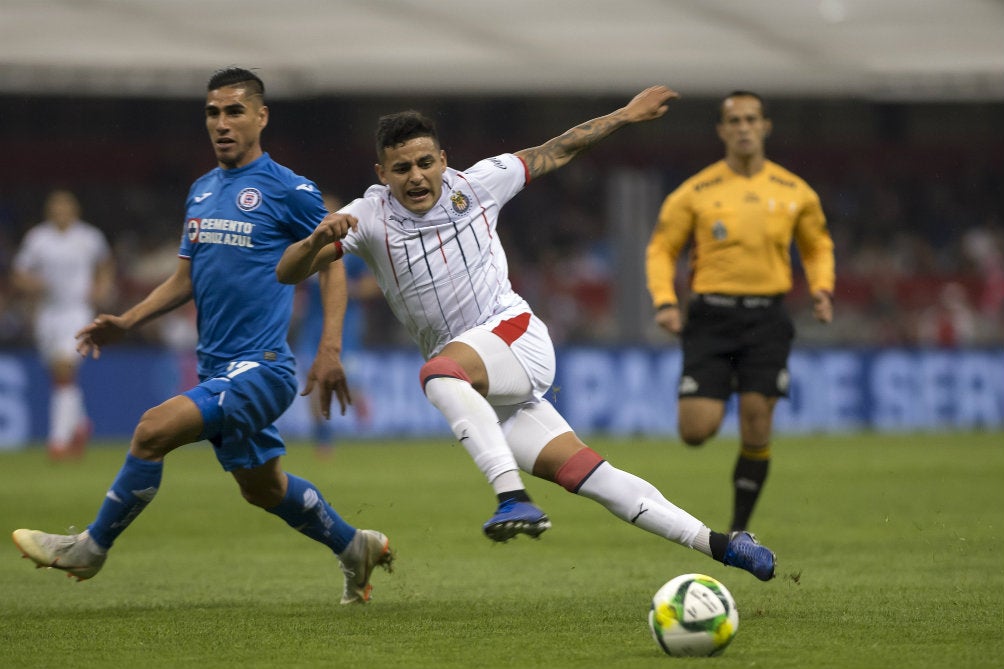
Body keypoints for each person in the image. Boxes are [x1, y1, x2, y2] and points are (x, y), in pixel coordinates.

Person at [276, 86, 777, 581]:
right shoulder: (367, 217)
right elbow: (289, 271)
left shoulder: (477, 185)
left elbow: (557, 149)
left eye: (425, 162)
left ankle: (512, 498)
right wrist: (316, 239)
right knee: (592, 478)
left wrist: (624, 116)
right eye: (402, 168)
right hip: (482, 385)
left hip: (514, 338)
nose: (416, 176)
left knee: (437, 374)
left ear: (443, 160)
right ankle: (725, 544)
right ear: (382, 174)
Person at [11, 67, 393, 604]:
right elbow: (184, 279)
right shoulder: (202, 190)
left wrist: (328, 349)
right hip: (218, 368)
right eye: (213, 112)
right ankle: (354, 545)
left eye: (234, 111)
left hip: (262, 366)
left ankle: (91, 547)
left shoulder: (290, 190)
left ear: (261, 117)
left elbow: (332, 264)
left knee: (151, 431)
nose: (222, 123)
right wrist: (128, 320)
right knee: (263, 488)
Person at [644, 90, 835, 533]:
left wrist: (822, 289)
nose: (744, 128)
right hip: (711, 318)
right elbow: (661, 249)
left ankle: (738, 532)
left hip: (767, 319)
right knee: (696, 430)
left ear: (766, 126)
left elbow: (817, 245)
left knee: (756, 419)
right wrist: (665, 302)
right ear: (722, 130)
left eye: (752, 119)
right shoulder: (695, 192)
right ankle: (725, 383)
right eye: (735, 121)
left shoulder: (794, 192)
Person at [11, 189, 115, 460]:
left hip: (76, 312)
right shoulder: (38, 238)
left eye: (65, 207)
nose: (60, 212)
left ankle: (58, 440)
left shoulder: (89, 237)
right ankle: (79, 424)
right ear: (49, 211)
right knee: (59, 375)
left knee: (63, 367)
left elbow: (105, 264)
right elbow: (19, 273)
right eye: (55, 208)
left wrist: (102, 287)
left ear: (74, 210)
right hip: (47, 314)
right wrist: (31, 283)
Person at [291, 194, 380, 457]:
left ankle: (358, 394)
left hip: (345, 322)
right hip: (312, 324)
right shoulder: (306, 246)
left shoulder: (350, 249)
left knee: (343, 377)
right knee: (314, 379)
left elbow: (373, 285)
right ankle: (323, 438)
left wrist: (345, 288)